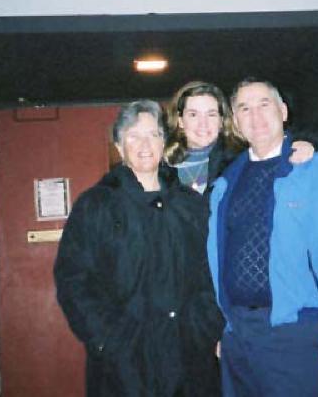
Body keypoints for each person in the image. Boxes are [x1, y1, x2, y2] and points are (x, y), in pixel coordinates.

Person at [207, 78, 318, 397]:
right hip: (238, 334)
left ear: (283, 111)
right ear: (236, 122)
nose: (255, 116)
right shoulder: (225, 183)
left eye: (264, 105)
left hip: (295, 331)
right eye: (244, 109)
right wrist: (226, 327)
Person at [53, 100, 221, 396]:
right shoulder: (96, 205)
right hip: (125, 364)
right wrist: (108, 338)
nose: (145, 144)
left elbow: (212, 271)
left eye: (153, 134)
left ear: (163, 142)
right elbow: (74, 279)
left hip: (188, 358)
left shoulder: (190, 205)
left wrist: (204, 327)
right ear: (119, 146)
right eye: (133, 136)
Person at [164, 80, 314, 195]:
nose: (203, 123)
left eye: (211, 114)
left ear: (222, 121)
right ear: (180, 121)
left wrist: (303, 144)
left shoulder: (239, 161)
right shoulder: (162, 165)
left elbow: (275, 140)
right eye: (193, 114)